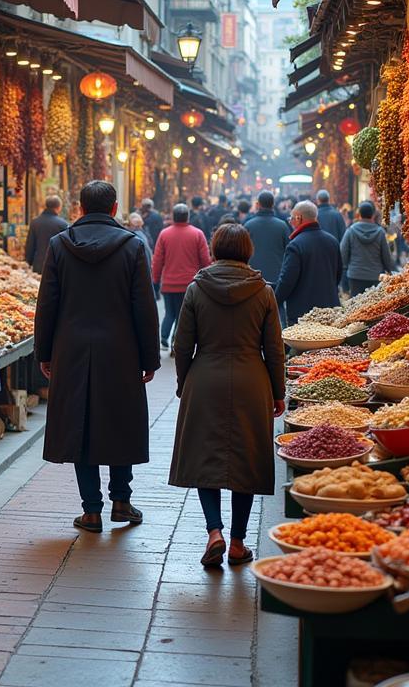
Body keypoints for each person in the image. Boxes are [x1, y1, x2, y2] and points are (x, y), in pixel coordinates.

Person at [34, 180, 159, 532]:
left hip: (71, 349)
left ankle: (91, 510)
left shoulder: (60, 246)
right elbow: (144, 306)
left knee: (80, 424)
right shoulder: (133, 246)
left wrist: (44, 351)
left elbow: (48, 304)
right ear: (115, 208)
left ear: (80, 209)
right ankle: (121, 501)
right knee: (120, 423)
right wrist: (149, 357)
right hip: (121, 350)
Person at [169, 223, 285, 567]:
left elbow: (182, 344)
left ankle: (214, 531)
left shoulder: (196, 289)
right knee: (245, 459)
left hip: (204, 377)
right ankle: (237, 542)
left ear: (215, 249)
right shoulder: (263, 292)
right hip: (252, 380)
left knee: (206, 456)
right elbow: (275, 349)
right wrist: (278, 392)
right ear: (248, 250)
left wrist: (184, 381)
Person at [152, 203, 212, 351]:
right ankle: (175, 341)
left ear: (173, 216)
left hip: (169, 282)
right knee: (184, 315)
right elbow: (205, 260)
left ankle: (164, 336)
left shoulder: (164, 234)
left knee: (170, 312)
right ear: (188, 216)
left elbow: (158, 260)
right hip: (190, 283)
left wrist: (155, 280)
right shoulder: (197, 234)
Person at [274, 201, 343, 324]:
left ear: (299, 218)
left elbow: (287, 280)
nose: (290, 222)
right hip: (330, 310)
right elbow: (338, 275)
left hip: (303, 312)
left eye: (291, 218)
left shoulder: (295, 245)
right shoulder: (332, 241)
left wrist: (275, 299)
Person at [340, 201, 396, 297]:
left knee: (355, 306)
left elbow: (343, 252)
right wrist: (389, 269)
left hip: (355, 275)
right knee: (372, 305)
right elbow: (386, 255)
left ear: (359, 214)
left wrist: (345, 267)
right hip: (375, 275)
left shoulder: (351, 231)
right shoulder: (380, 232)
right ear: (373, 215)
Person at [246, 190, 291, 287]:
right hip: (276, 277)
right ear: (273, 204)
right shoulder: (282, 226)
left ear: (258, 204)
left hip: (253, 276)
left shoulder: (248, 225)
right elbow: (289, 252)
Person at [24, 195, 69, 274]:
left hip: (39, 264)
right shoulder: (63, 224)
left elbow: (30, 245)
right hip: (57, 265)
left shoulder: (35, 222)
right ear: (58, 207)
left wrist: (29, 261)